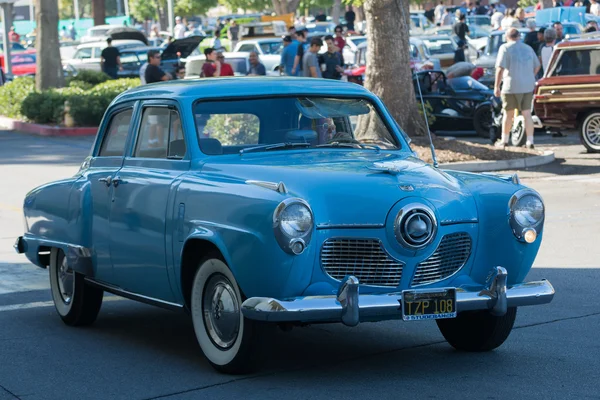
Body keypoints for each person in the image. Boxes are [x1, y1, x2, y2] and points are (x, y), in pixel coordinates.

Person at [494, 28, 541, 149]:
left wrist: (496, 86)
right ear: (519, 36)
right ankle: (530, 141)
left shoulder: (505, 48)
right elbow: (537, 66)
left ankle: (504, 140)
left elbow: (500, 68)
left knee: (508, 114)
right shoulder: (528, 48)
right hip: (527, 85)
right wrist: (530, 75)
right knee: (527, 114)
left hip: (510, 86)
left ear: (507, 36)